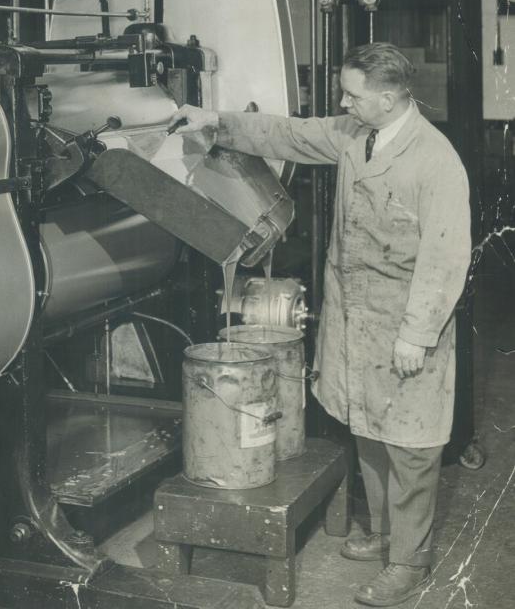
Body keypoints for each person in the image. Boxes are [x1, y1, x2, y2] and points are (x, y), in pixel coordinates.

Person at [169, 42, 471, 607]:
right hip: (356, 317)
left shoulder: (436, 160)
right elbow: (290, 134)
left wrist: (416, 335)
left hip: (404, 324)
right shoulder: (359, 133)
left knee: (409, 446)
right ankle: (383, 534)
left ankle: (409, 561)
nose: (342, 102)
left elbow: (445, 256)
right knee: (367, 428)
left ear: (386, 99)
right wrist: (216, 123)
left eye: (352, 95)